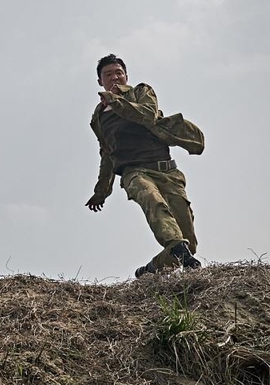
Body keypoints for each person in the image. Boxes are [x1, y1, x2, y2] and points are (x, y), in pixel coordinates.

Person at [85, 54, 204, 277]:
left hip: (167, 170)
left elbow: (147, 116)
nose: (115, 78)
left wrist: (116, 101)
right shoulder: (99, 118)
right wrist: (101, 192)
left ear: (126, 76)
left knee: (188, 243)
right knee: (152, 200)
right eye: (108, 75)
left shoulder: (141, 92)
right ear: (100, 81)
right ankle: (176, 245)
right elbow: (107, 154)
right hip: (134, 172)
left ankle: (151, 270)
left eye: (119, 73)